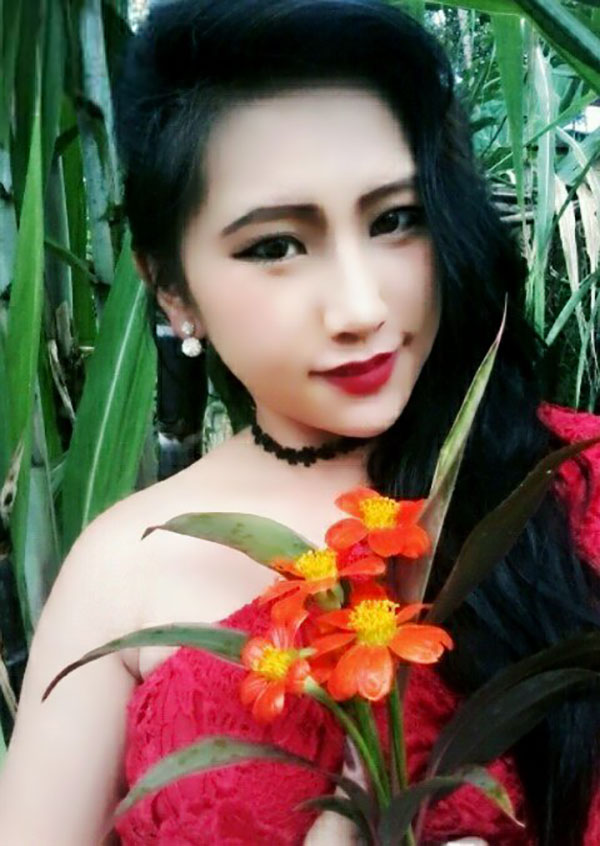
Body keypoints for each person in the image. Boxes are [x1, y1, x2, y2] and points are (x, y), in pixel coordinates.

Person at [1, 0, 599, 843]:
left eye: (396, 220)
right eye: (276, 246)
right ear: (171, 289)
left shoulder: (571, 475)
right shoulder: (120, 573)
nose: (360, 309)